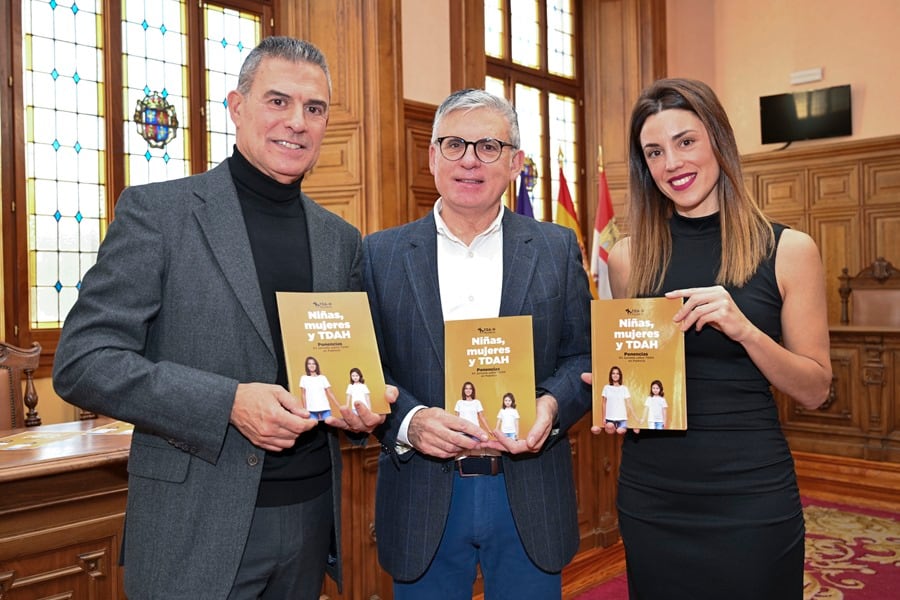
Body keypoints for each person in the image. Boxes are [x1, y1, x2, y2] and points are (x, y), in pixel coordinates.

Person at [52, 36, 387, 600]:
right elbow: (83, 362)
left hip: (308, 521)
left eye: (314, 108)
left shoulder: (340, 240)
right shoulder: (159, 213)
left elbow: (337, 365)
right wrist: (227, 402)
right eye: (278, 101)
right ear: (236, 107)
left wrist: (360, 410)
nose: (297, 123)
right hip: (194, 521)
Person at [593, 78, 832, 598]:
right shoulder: (629, 259)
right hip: (652, 493)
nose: (672, 163)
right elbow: (635, 377)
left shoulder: (789, 250)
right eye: (654, 152)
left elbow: (815, 390)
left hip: (750, 492)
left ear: (718, 141)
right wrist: (616, 396)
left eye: (685, 142)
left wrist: (745, 330)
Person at [363, 88, 592, 600]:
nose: (469, 160)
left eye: (489, 146)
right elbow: (365, 368)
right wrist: (409, 423)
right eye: (453, 145)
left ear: (514, 163)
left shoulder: (556, 248)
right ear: (431, 157)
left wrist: (551, 405)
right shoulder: (380, 253)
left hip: (527, 489)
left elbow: (583, 354)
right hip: (423, 490)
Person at [601, 365, 633, 433]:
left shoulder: (624, 388)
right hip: (609, 418)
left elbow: (629, 404)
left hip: (622, 418)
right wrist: (604, 417)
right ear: (611, 375)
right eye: (613, 373)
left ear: (620, 375)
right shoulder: (606, 388)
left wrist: (633, 417)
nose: (615, 375)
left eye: (617, 373)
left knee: (620, 431)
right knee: (609, 430)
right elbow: (604, 403)